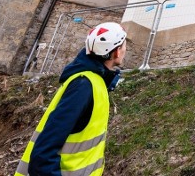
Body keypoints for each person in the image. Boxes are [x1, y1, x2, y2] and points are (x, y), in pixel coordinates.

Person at [15, 22, 127, 176]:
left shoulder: (95, 83)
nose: (125, 50)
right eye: (123, 46)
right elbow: (43, 153)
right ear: (117, 52)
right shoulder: (84, 85)